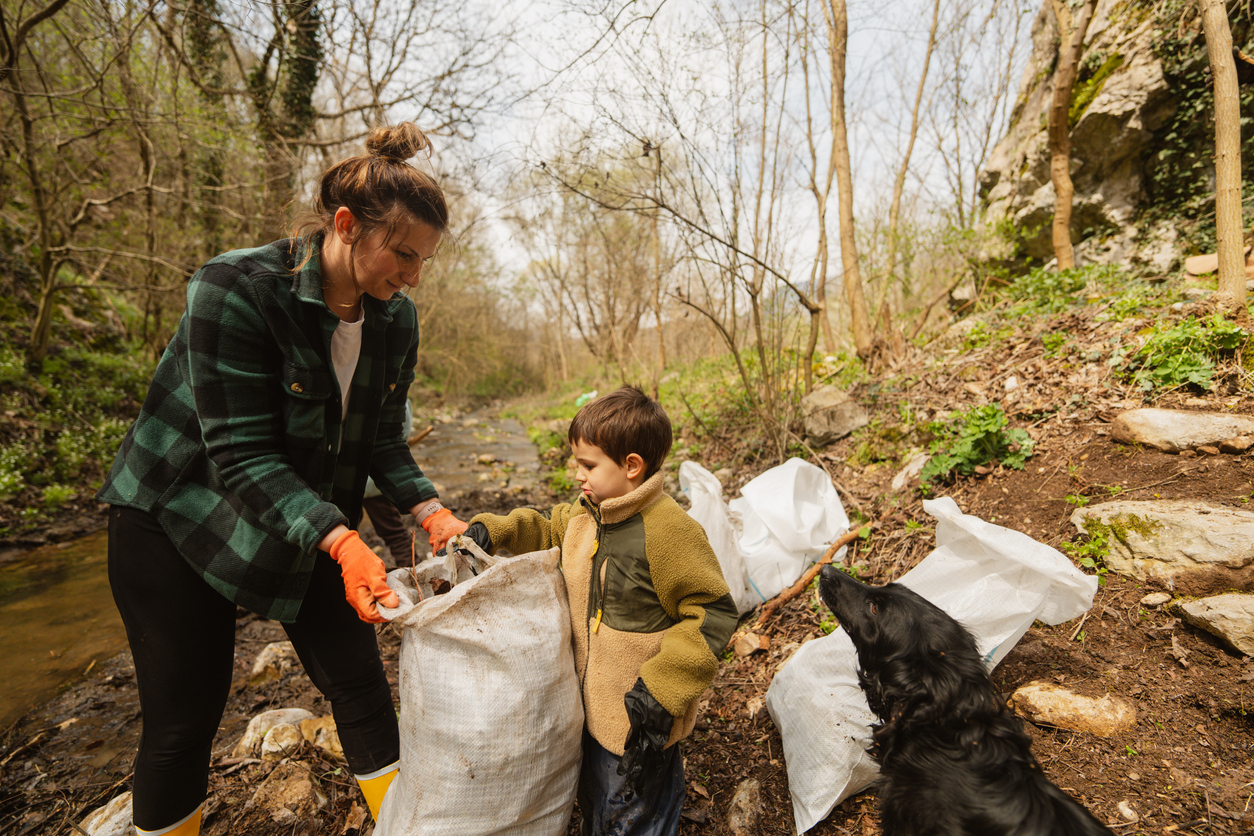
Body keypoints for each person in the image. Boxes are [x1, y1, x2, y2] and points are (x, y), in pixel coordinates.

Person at [96, 123, 469, 836]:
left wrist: (430, 512)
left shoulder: (395, 320)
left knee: (360, 683)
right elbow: (239, 456)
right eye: (402, 254)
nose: (413, 276)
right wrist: (342, 538)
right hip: (178, 517)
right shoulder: (234, 287)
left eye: (424, 261)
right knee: (184, 719)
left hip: (301, 514)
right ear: (345, 225)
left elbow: (381, 439)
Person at [460, 386, 738, 836]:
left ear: (632, 466)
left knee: (636, 815)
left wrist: (663, 691)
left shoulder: (668, 532)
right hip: (590, 712)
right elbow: (546, 526)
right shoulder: (585, 515)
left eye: (588, 465)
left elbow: (713, 613)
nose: (577, 474)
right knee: (598, 806)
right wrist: (496, 530)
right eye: (576, 463)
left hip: (640, 721)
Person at [361, 399, 421, 569]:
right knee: (393, 533)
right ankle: (414, 571)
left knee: (393, 533)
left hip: (376, 483)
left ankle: (413, 573)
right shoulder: (399, 400)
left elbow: (396, 439)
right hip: (372, 483)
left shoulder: (397, 397)